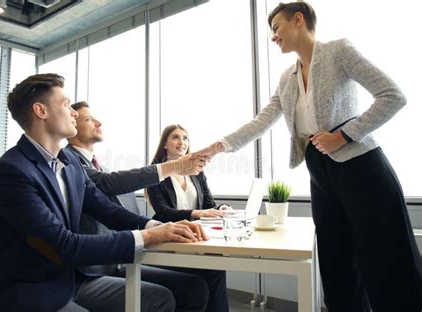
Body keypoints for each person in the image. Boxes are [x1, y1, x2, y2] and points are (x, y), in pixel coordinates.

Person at [196, 2, 422, 312]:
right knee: (336, 263)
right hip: (320, 170)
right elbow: (262, 121)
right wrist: (217, 146)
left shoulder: (338, 51)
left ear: (298, 19)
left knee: (385, 260)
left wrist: (343, 135)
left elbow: (393, 95)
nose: (273, 37)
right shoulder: (286, 79)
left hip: (361, 166)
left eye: (276, 28)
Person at [0, 73, 207, 312]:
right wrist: (148, 237)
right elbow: (63, 245)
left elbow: (106, 209)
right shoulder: (11, 171)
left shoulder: (68, 162)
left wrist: (153, 226)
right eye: (66, 104)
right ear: (41, 111)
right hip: (36, 288)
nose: (73, 112)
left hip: (76, 276)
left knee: (187, 291)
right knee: (159, 299)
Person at [66, 101, 211, 311]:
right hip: (91, 268)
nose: (99, 122)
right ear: (72, 125)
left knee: (196, 287)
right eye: (89, 119)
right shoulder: (69, 161)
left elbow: (116, 213)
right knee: (165, 297)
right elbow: (109, 184)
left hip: (117, 259)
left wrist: (153, 226)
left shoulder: (100, 167)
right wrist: (174, 166)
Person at [147, 124, 230, 312]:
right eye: (175, 137)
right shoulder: (155, 172)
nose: (181, 142)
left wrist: (220, 208)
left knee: (216, 263)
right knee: (213, 268)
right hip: (169, 240)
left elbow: (208, 204)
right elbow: (163, 211)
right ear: (165, 144)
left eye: (185, 138)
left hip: (194, 239)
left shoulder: (196, 172)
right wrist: (195, 214)